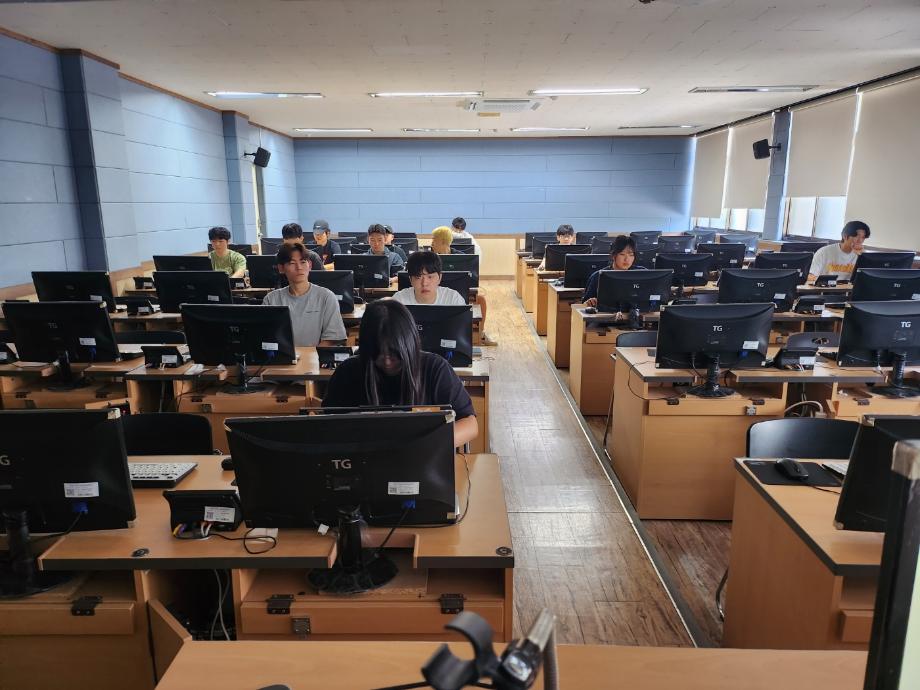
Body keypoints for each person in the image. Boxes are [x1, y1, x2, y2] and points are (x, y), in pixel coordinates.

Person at [322, 300, 478, 448]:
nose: (387, 361)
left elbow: (470, 424)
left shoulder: (435, 369)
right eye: (377, 353)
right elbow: (326, 425)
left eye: (395, 354)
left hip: (422, 457)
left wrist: (428, 445)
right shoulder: (347, 372)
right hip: (364, 460)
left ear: (409, 345)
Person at [262, 242, 346, 347]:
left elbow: (332, 338)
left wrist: (310, 355)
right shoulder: (271, 299)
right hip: (282, 356)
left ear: (310, 265)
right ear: (281, 268)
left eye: (303, 262)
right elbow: (266, 337)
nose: (299, 267)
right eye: (292, 263)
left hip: (315, 356)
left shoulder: (326, 297)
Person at [431, 226, 498, 346]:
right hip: (436, 294)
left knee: (481, 300)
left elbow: (471, 278)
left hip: (459, 293)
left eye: (434, 239)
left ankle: (480, 334)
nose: (431, 242)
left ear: (443, 241)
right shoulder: (429, 259)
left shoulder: (461, 257)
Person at [582, 235, 641, 307]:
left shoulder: (641, 274)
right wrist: (590, 302)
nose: (627, 259)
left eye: (631, 255)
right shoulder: (598, 276)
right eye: (622, 254)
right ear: (613, 255)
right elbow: (584, 305)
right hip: (604, 313)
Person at [393, 251, 467, 306]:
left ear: (439, 278)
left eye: (430, 277)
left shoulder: (453, 299)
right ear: (411, 280)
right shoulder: (398, 301)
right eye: (418, 277)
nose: (424, 283)